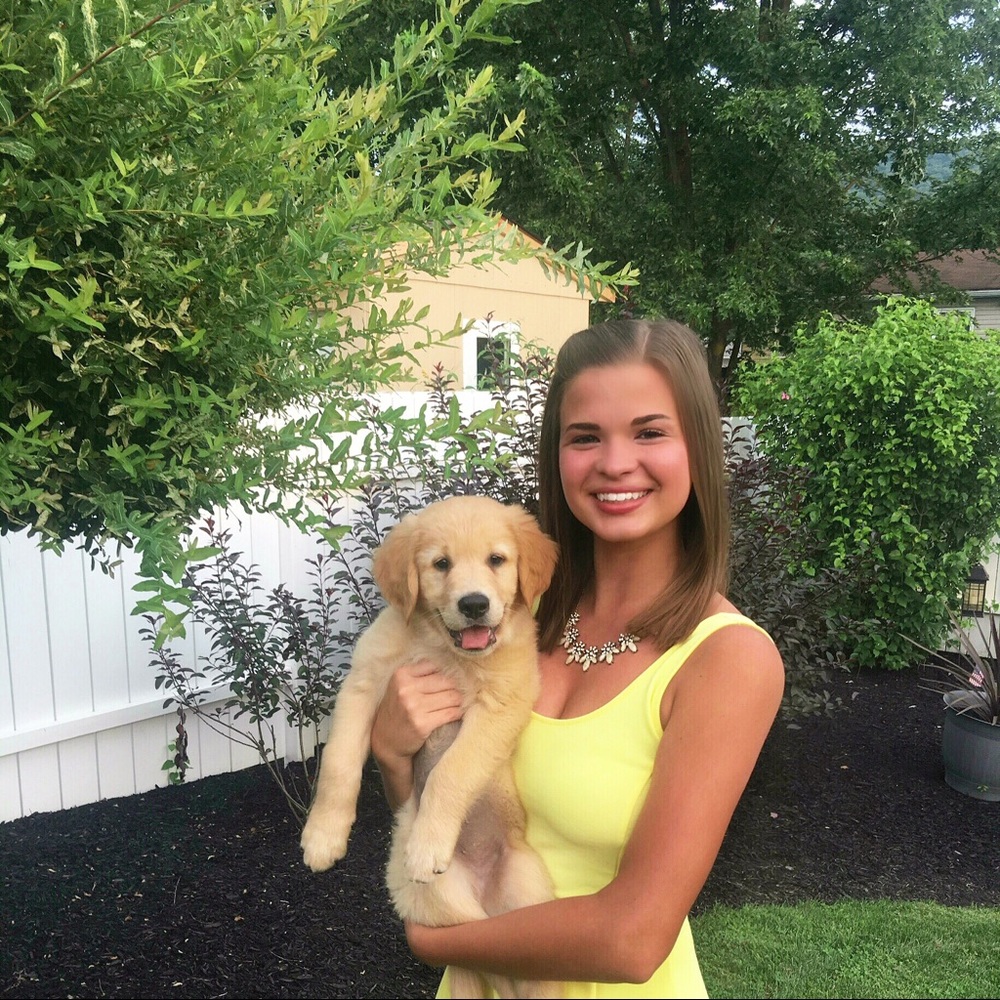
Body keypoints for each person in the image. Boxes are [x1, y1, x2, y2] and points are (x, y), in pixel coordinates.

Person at [370, 319, 785, 998]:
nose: (615, 463)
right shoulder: (511, 619)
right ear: (556, 454)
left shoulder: (728, 659)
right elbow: (445, 837)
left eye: (650, 432)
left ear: (697, 449)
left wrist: (430, 936)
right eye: (585, 436)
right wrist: (392, 755)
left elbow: (632, 938)